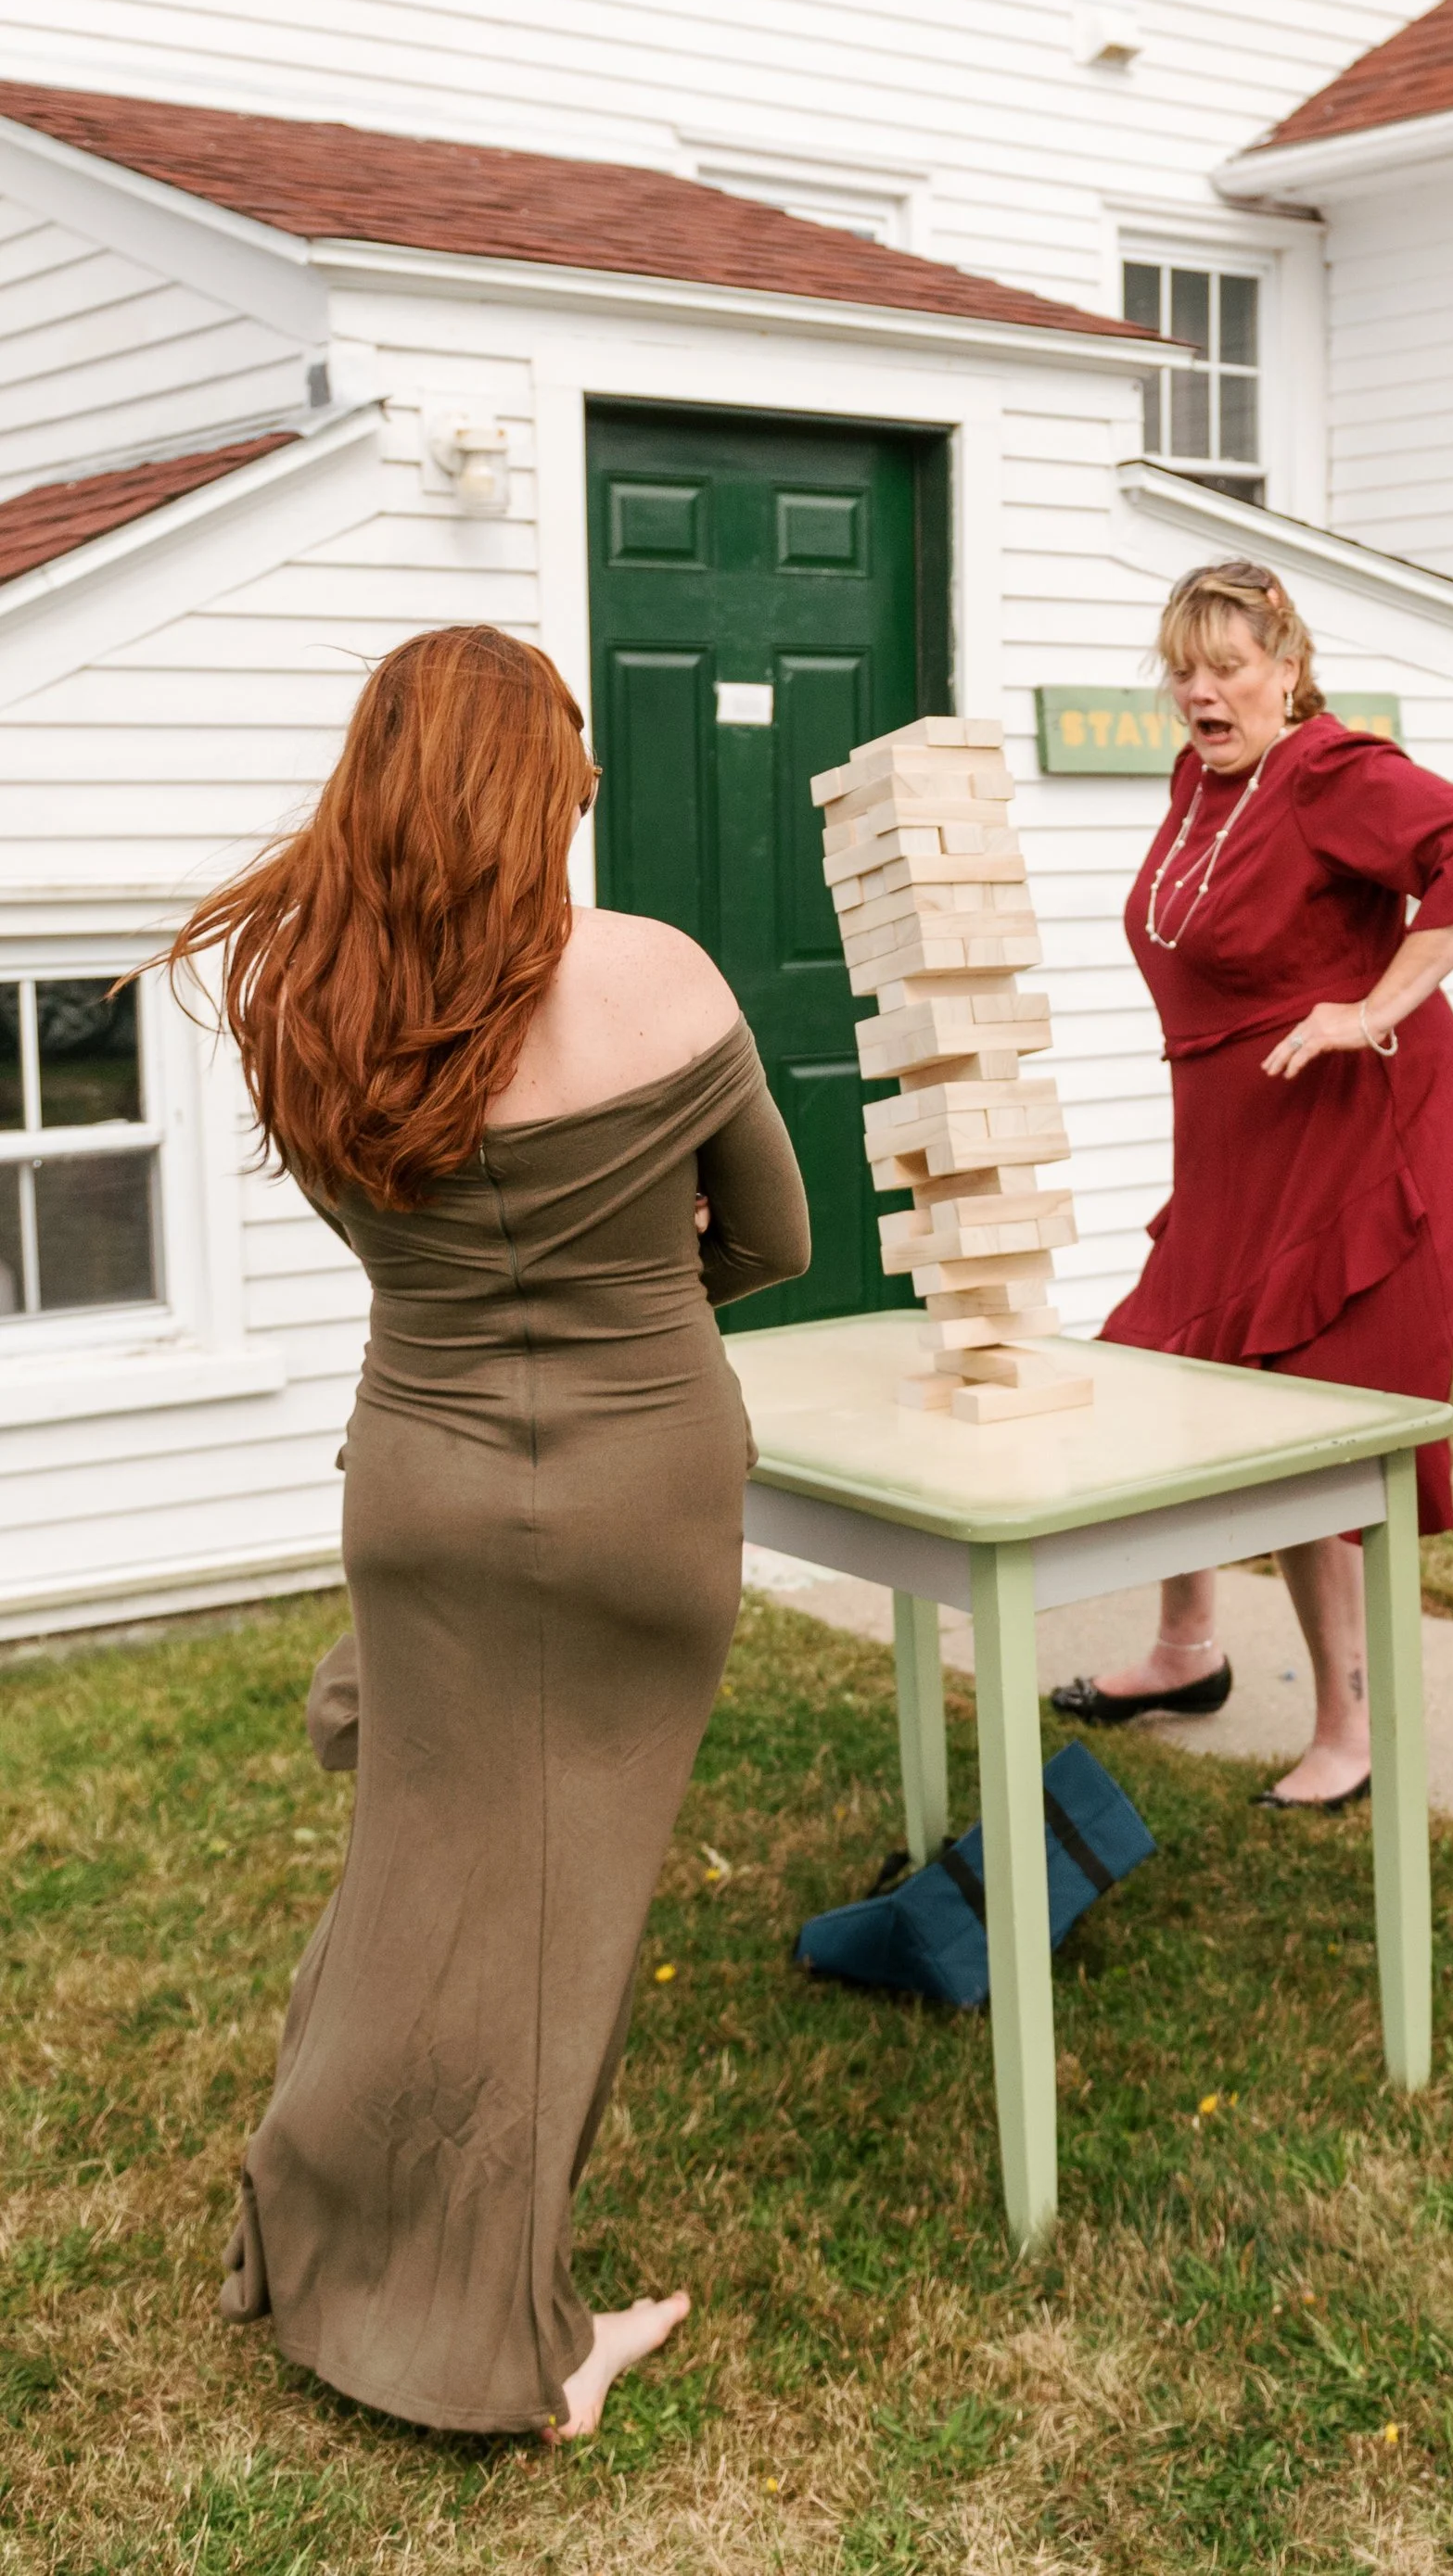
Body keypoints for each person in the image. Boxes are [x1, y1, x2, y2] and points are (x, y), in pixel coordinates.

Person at [168, 625, 809, 2442]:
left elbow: (393, 1245)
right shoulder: (661, 976)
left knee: (420, 1867)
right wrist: (638, 1282)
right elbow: (776, 1240)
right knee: (560, 1911)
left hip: (421, 1479)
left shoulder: (304, 1003)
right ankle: (511, 2344)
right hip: (640, 1488)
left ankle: (323, 2231)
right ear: (541, 785)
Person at [1050, 562, 1453, 1808]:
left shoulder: (1330, 772)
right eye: (1182, 670)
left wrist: (1372, 1009)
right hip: (1244, 1146)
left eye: (1226, 667)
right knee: (1171, 1370)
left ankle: (1351, 1728)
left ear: (1288, 666)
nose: (1200, 692)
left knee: (1311, 1436)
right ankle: (1186, 1653)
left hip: (1371, 1139)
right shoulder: (1202, 780)